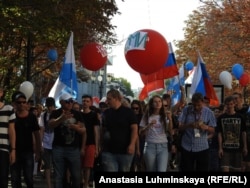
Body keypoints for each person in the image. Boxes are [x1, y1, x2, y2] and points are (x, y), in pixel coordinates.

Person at [48, 93, 86, 188]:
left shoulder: (77, 114)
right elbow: (50, 124)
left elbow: (83, 130)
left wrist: (75, 127)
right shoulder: (55, 113)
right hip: (58, 148)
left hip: (73, 149)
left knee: (76, 176)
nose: (70, 103)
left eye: (71, 101)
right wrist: (61, 118)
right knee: (58, 176)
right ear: (61, 102)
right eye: (67, 101)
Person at [100, 88, 138, 172]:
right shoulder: (106, 113)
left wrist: (132, 144)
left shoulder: (129, 112)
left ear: (116, 98)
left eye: (109, 99)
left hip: (125, 151)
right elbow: (103, 129)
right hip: (108, 151)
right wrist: (100, 144)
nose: (107, 101)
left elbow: (134, 129)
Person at [178, 92, 216, 171]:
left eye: (199, 105)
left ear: (203, 102)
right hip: (187, 146)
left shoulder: (209, 113)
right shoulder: (186, 110)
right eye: (194, 105)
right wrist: (189, 125)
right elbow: (180, 127)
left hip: (202, 147)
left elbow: (213, 130)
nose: (196, 107)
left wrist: (206, 127)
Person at [10, 91, 42, 188]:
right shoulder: (12, 116)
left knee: (29, 178)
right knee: (15, 179)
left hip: (28, 152)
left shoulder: (32, 117)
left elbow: (37, 134)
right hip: (15, 151)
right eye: (19, 102)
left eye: (24, 102)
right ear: (15, 104)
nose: (22, 104)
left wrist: (38, 151)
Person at [139, 95, 172, 172]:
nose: (158, 103)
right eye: (155, 102)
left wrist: (170, 119)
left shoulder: (165, 115)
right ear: (151, 104)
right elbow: (140, 132)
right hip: (150, 146)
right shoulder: (147, 116)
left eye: (159, 101)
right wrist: (149, 125)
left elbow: (170, 131)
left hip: (163, 146)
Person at [217, 95, 248, 172]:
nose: (229, 106)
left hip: (237, 148)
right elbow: (219, 133)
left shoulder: (240, 117)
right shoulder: (221, 118)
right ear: (225, 105)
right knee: (225, 169)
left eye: (231, 104)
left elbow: (243, 133)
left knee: (236, 169)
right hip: (225, 149)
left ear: (234, 104)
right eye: (227, 104)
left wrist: (245, 146)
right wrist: (220, 148)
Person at [81, 94, 100, 188]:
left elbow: (96, 131)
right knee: (80, 165)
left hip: (91, 142)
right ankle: (81, 182)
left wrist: (97, 147)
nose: (85, 103)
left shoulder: (93, 115)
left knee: (88, 165)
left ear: (90, 103)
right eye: (83, 101)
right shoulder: (78, 114)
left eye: (87, 101)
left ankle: (86, 184)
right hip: (79, 143)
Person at [0, 88, 16, 188]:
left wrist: (13, 150)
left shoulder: (9, 109)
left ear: (1, 93)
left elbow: (12, 130)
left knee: (2, 179)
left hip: (3, 149)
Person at [39, 97, 56, 188]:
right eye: (49, 106)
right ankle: (49, 185)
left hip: (55, 143)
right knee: (47, 165)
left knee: (56, 165)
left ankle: (57, 184)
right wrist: (41, 144)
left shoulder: (57, 114)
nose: (50, 108)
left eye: (51, 106)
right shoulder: (43, 115)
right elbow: (42, 129)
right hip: (46, 143)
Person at [232, 92, 250, 171]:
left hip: (248, 138)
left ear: (241, 99)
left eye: (236, 98)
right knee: (240, 164)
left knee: (248, 163)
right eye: (233, 99)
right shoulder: (232, 112)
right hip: (237, 139)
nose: (235, 100)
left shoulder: (247, 110)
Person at [130, 99, 144, 172]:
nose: (135, 110)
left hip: (141, 140)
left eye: (137, 108)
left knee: (139, 160)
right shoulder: (129, 117)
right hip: (131, 140)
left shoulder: (142, 117)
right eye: (133, 108)